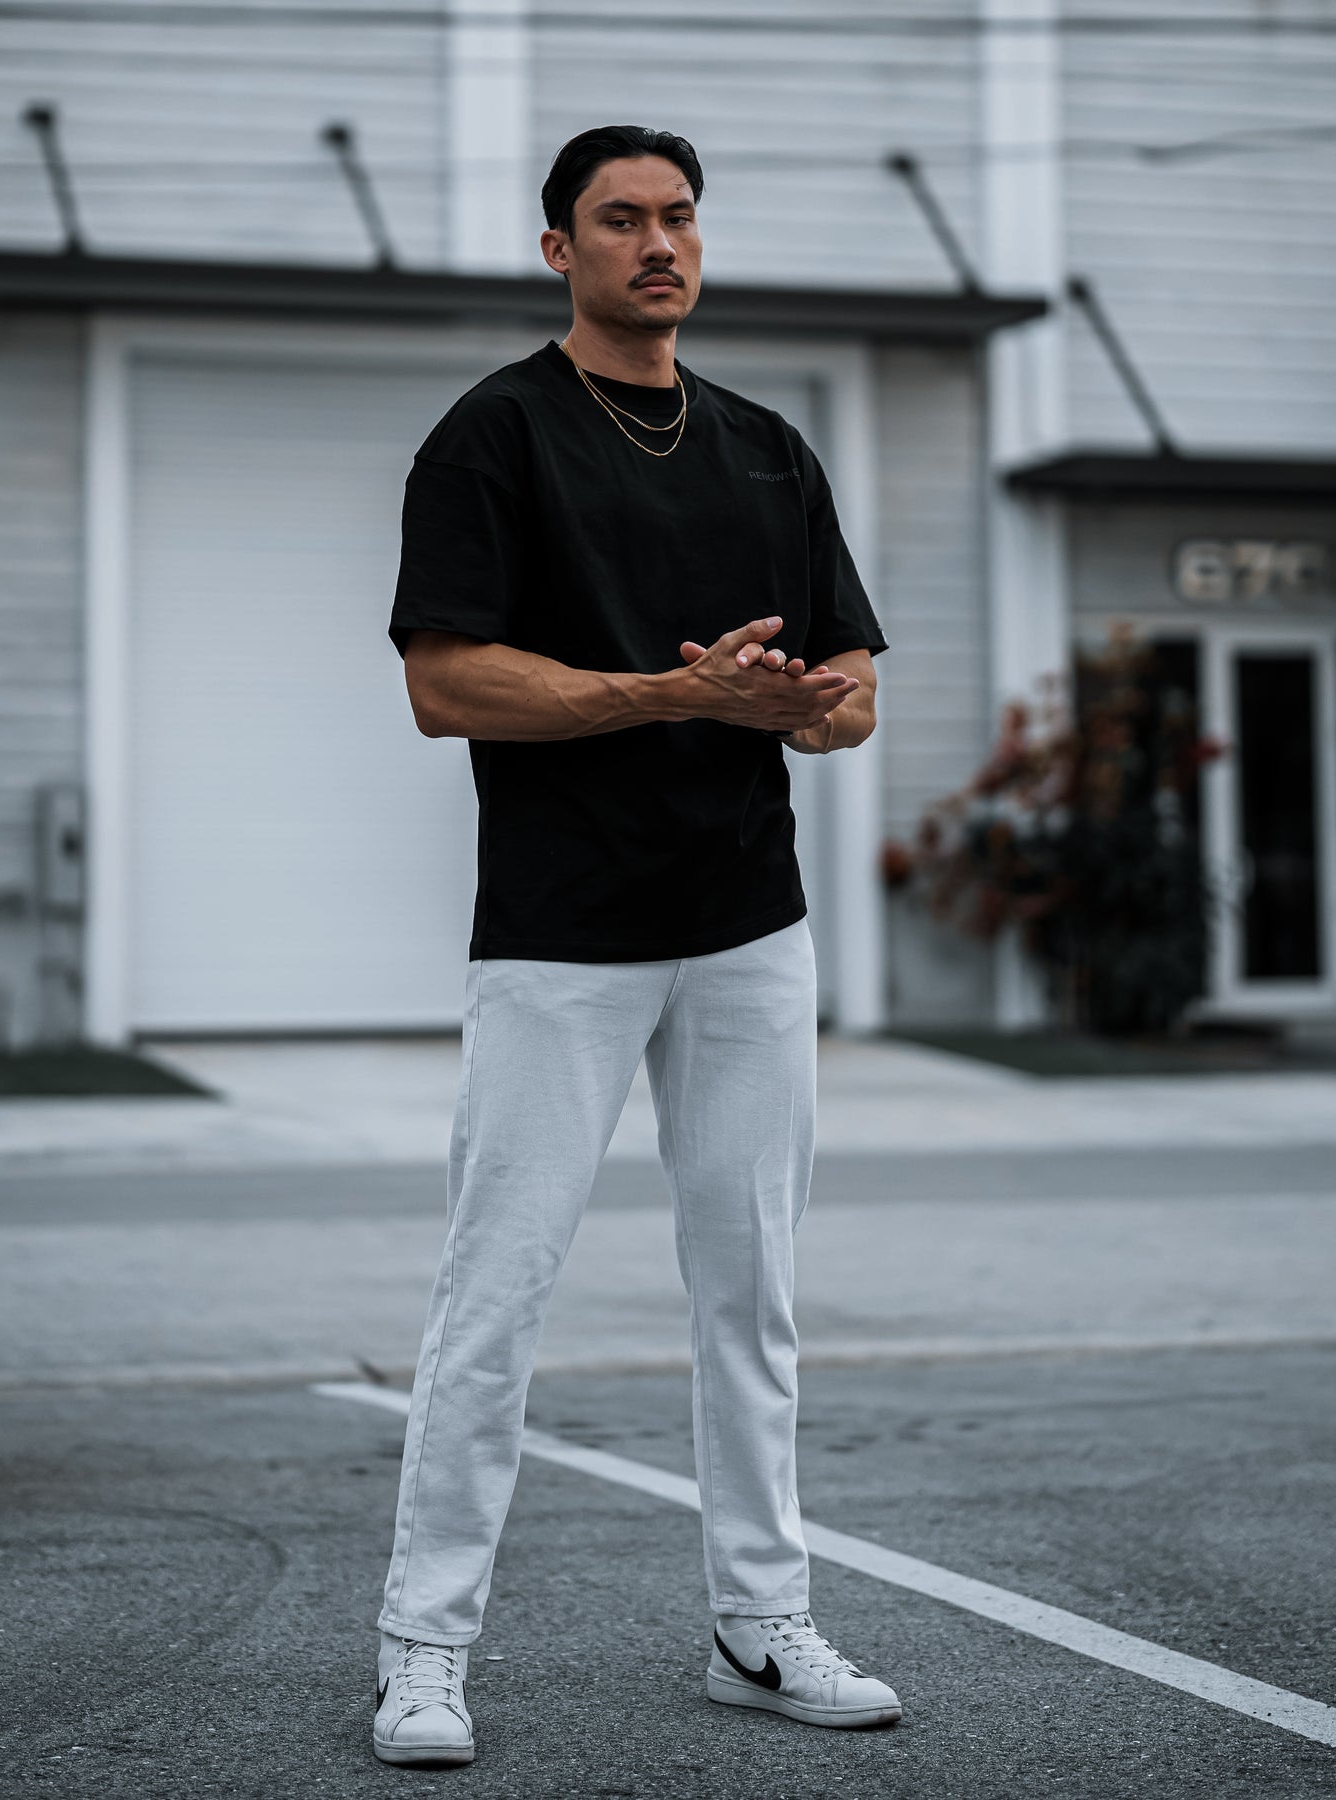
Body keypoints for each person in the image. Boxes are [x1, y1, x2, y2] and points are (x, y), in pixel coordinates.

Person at [372, 123, 900, 1769]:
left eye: (679, 217)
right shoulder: (496, 434)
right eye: (620, 220)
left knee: (753, 1294)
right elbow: (446, 684)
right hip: (562, 936)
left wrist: (797, 707)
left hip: (748, 928)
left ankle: (762, 1619)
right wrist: (672, 693)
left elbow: (854, 697)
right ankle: (424, 1651)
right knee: (497, 1295)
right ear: (561, 249)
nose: (658, 244)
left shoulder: (767, 450)